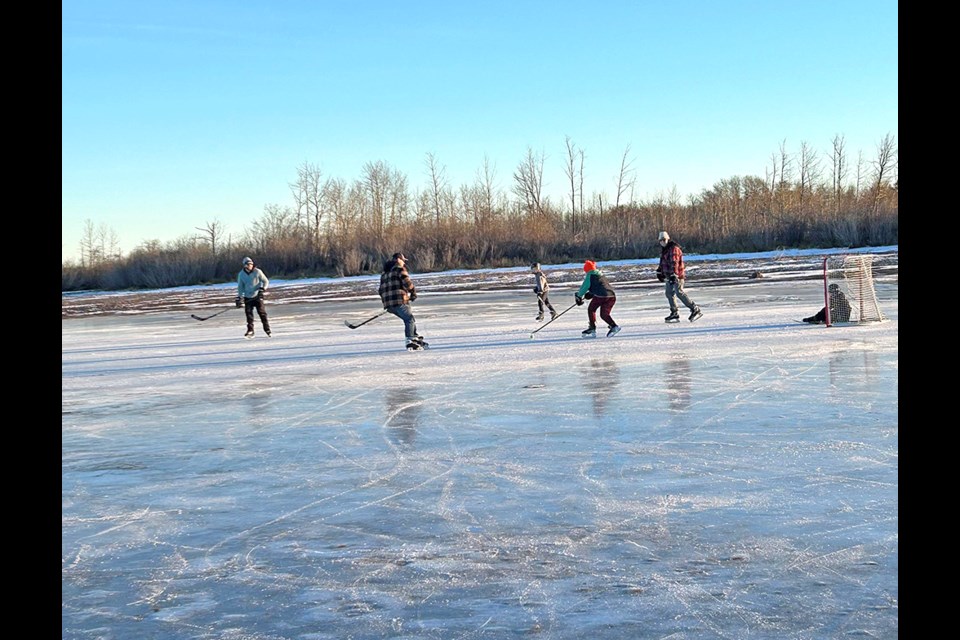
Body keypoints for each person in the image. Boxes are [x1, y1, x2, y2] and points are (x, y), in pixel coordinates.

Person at [378, 252, 427, 350]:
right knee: (409, 319)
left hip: (388, 304)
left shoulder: (384, 274)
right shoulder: (399, 269)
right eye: (403, 260)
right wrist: (413, 293)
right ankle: (410, 339)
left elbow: (380, 290)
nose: (404, 263)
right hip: (399, 301)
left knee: (409, 318)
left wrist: (387, 302)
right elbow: (407, 282)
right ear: (398, 260)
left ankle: (414, 336)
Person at [656, 231, 702, 322]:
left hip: (677, 276)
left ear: (668, 239)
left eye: (664, 240)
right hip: (669, 276)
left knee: (679, 292)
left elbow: (675, 263)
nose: (662, 242)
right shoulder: (664, 250)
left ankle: (694, 309)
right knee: (669, 293)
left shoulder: (674, 249)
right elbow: (663, 263)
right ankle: (674, 313)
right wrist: (659, 272)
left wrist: (674, 274)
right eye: (661, 240)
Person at [575, 260, 620, 337]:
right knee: (604, 314)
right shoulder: (601, 275)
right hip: (611, 296)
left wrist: (579, 296)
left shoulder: (590, 275)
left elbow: (584, 287)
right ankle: (614, 326)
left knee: (591, 309)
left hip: (601, 296)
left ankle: (592, 328)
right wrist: (591, 293)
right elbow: (601, 286)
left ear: (587, 269)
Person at [236, 256, 271, 337]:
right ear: (244, 265)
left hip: (257, 296)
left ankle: (267, 329)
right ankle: (250, 330)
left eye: (251, 264)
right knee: (249, 315)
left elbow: (266, 281)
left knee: (262, 313)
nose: (250, 266)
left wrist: (263, 289)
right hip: (248, 297)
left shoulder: (258, 272)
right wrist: (239, 297)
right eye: (248, 264)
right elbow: (240, 287)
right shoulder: (241, 274)